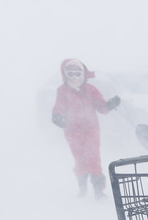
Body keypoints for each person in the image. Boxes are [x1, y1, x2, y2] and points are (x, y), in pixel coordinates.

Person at [51, 58, 120, 198]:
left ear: (83, 74)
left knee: (93, 158)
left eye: (78, 73)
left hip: (91, 129)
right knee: (80, 159)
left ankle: (98, 190)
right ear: (65, 74)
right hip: (72, 131)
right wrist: (58, 117)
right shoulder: (62, 91)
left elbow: (102, 107)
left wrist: (110, 104)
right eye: (71, 73)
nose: (75, 77)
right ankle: (82, 186)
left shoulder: (90, 90)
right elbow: (59, 107)